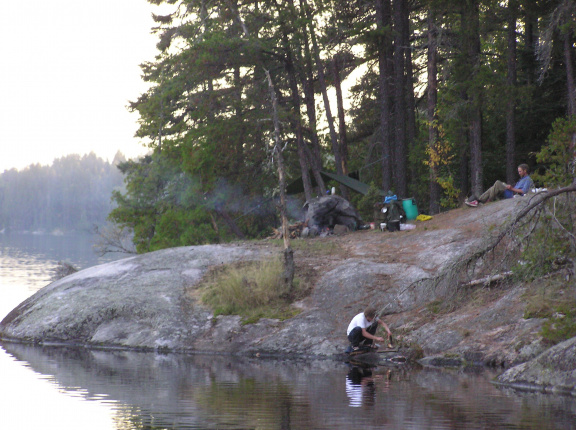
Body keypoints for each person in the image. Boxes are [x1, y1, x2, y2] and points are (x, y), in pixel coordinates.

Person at [465, 164, 534, 208]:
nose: (519, 173)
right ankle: (479, 201)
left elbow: (523, 191)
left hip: (514, 194)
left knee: (498, 183)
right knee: (494, 187)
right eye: (518, 171)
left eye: (520, 171)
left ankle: (488, 200)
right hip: (511, 191)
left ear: (525, 171)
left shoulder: (527, 180)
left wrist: (512, 188)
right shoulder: (522, 179)